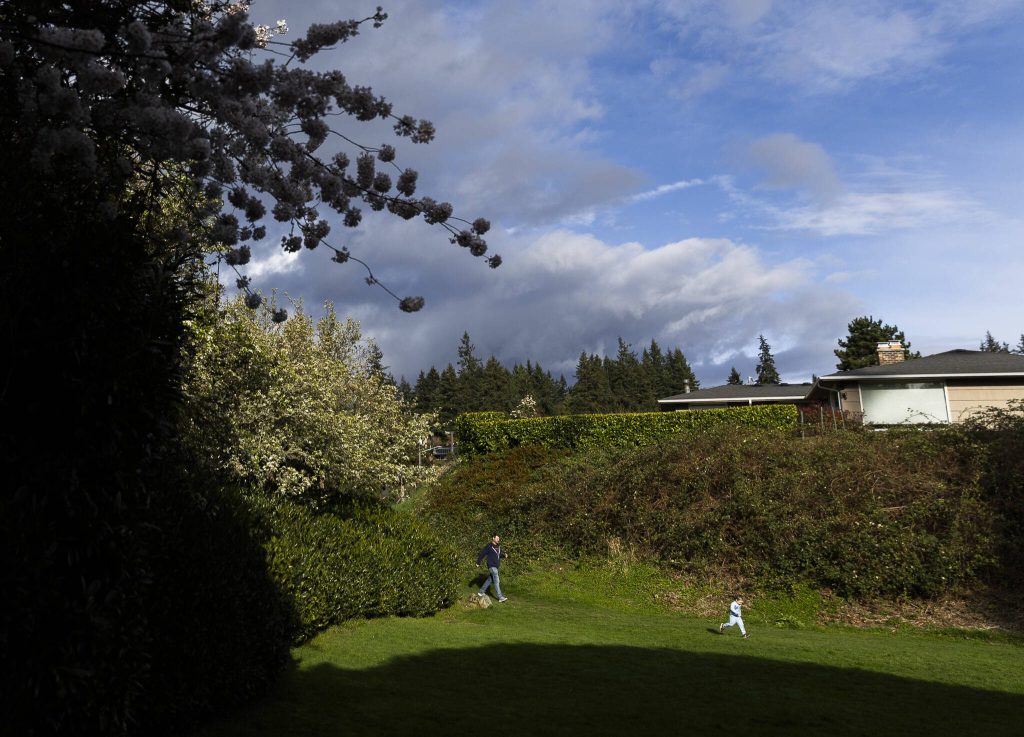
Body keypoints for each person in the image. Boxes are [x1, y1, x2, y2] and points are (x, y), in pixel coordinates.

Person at [476, 534, 509, 602]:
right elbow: (482, 554)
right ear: (493, 538)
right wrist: (478, 562)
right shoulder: (489, 546)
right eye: (497, 538)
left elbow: (498, 555)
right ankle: (500, 597)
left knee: (489, 579)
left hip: (496, 567)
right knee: (496, 580)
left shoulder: (498, 546)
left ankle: (481, 592)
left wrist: (504, 556)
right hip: (491, 566)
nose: (498, 540)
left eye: (498, 539)